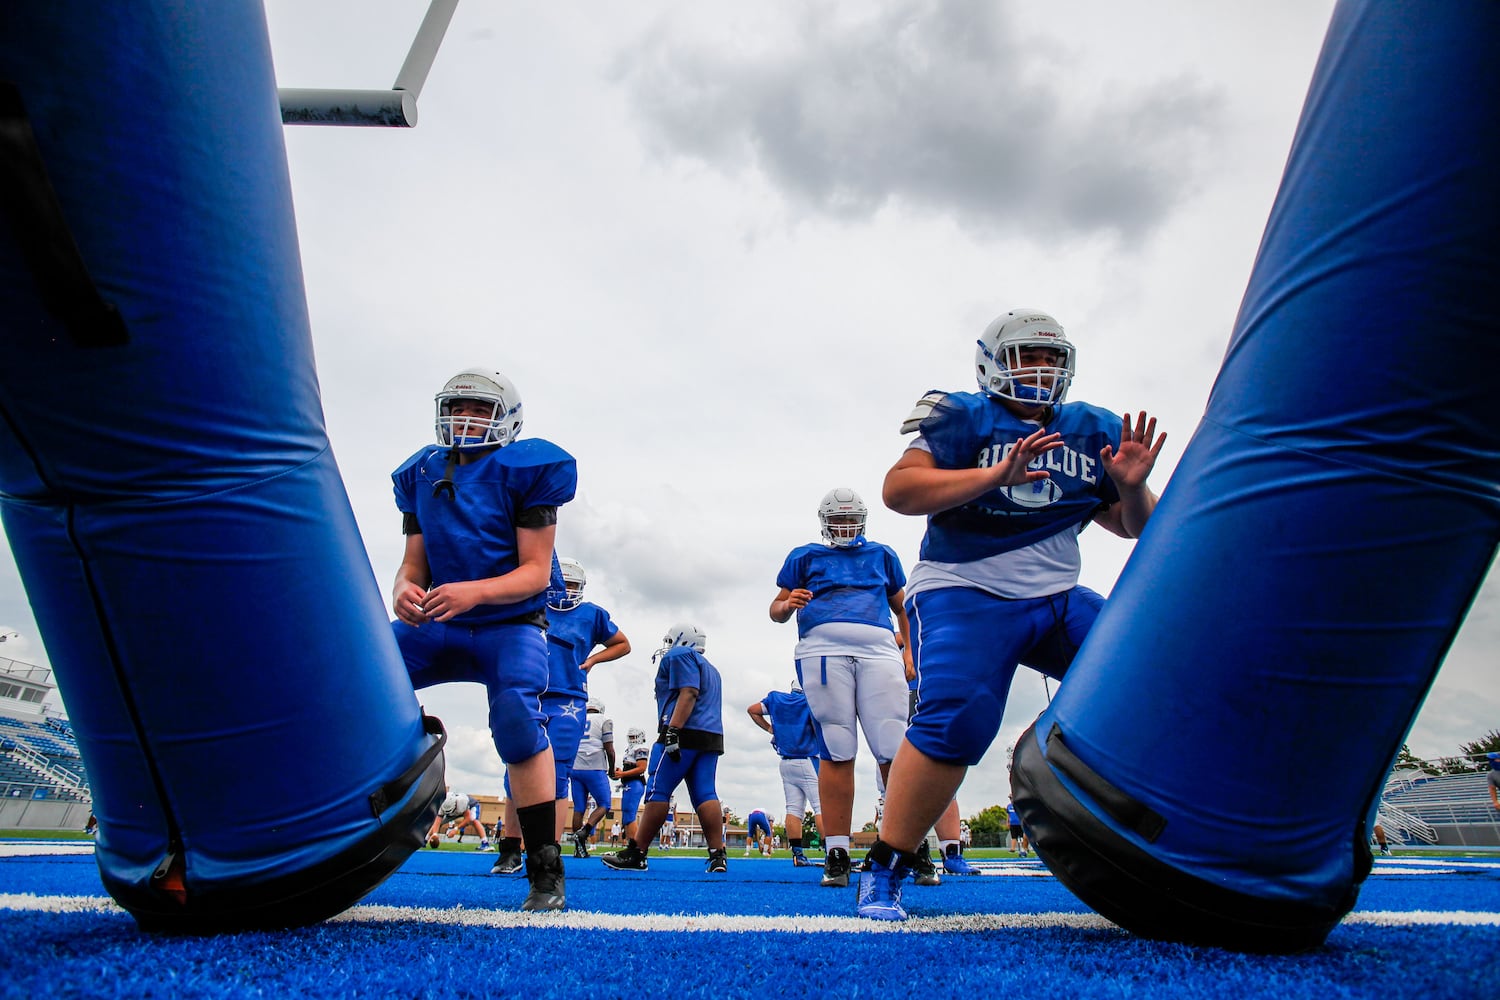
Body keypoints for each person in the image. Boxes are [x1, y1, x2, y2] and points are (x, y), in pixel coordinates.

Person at [858, 309, 1165, 920]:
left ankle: (1137, 825)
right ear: (992, 361)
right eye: (1029, 356)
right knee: (959, 721)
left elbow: (1139, 530)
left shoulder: (1092, 427)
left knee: (1147, 674)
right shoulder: (964, 415)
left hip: (1055, 595)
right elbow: (900, 491)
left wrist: (1131, 486)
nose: (1042, 370)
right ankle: (885, 866)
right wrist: (996, 473)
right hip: (963, 588)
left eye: (1052, 359)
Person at [391, 366, 576, 912]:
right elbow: (411, 567)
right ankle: (345, 811)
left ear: (507, 418)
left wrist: (472, 593)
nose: (465, 419)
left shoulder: (526, 469)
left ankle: (544, 866)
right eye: (457, 408)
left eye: (478, 409)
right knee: (360, 676)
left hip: (508, 624)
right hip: (441, 620)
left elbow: (535, 573)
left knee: (518, 718)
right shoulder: (422, 473)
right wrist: (404, 591)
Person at [770, 488, 912, 890]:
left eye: (850, 521)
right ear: (824, 522)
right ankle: (837, 851)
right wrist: (788, 604)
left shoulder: (882, 554)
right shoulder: (805, 556)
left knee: (892, 745)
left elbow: (902, 608)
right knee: (836, 746)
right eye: (837, 522)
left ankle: (903, 844)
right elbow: (776, 610)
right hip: (823, 648)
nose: (844, 529)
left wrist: (909, 654)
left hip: (880, 649)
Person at [493, 557, 630, 874]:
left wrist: (594, 660)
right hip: (530, 693)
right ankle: (511, 848)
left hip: (569, 697)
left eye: (571, 584)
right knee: (515, 767)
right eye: (560, 582)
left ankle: (547, 853)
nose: (565, 590)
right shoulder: (531, 603)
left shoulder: (592, 614)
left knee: (558, 772)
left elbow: (622, 643)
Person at [601, 623, 728, 873]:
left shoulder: (681, 655)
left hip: (683, 731)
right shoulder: (711, 668)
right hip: (710, 736)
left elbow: (689, 691)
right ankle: (717, 856)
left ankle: (637, 853)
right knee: (705, 793)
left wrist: (673, 730)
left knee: (658, 790)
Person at [747, 681, 826, 868]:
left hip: (785, 762)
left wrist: (769, 728)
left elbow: (752, 709)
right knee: (821, 807)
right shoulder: (811, 701)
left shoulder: (777, 699)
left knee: (793, 809)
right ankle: (832, 853)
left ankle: (797, 854)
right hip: (807, 760)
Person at [569, 698, 616, 858]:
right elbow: (609, 749)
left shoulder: (577, 718)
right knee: (604, 804)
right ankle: (585, 832)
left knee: (579, 808)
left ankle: (578, 848)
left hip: (575, 766)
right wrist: (611, 769)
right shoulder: (604, 720)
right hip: (594, 765)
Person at [614, 726, 651, 847]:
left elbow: (641, 768)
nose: (632, 739)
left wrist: (622, 774)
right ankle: (631, 845)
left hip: (635, 784)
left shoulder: (640, 748)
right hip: (628, 784)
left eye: (634, 737)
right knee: (626, 815)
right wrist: (621, 773)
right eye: (630, 737)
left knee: (630, 815)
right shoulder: (629, 749)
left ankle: (636, 847)